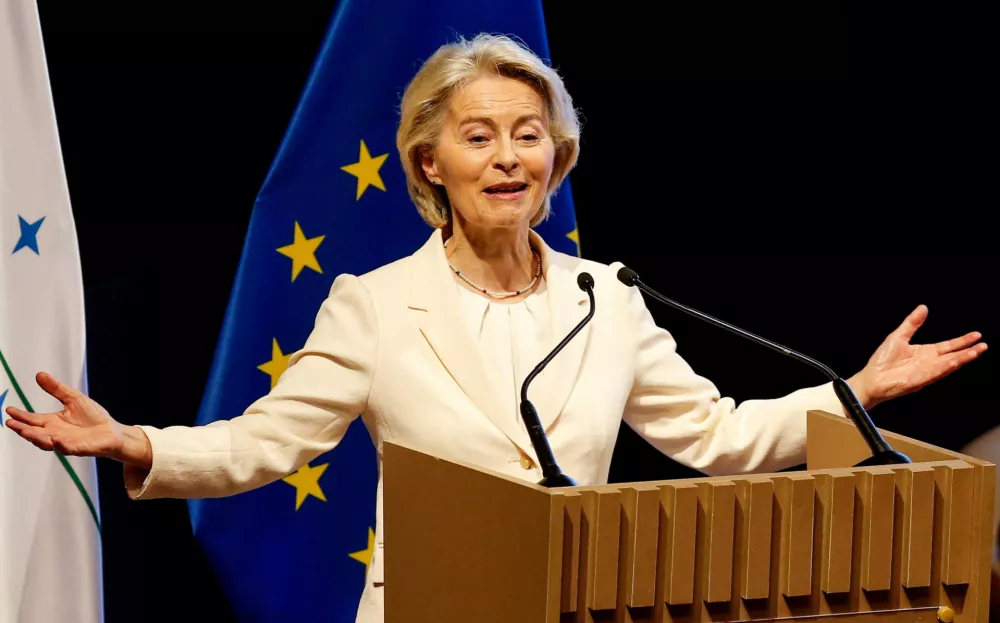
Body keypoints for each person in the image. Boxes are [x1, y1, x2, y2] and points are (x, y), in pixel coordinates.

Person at [3, 34, 987, 623]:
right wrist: (135, 440)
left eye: (528, 136)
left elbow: (716, 436)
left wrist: (856, 390)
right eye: (478, 136)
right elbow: (264, 441)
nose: (507, 157)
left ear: (556, 161)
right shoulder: (375, 303)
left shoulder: (607, 296)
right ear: (430, 160)